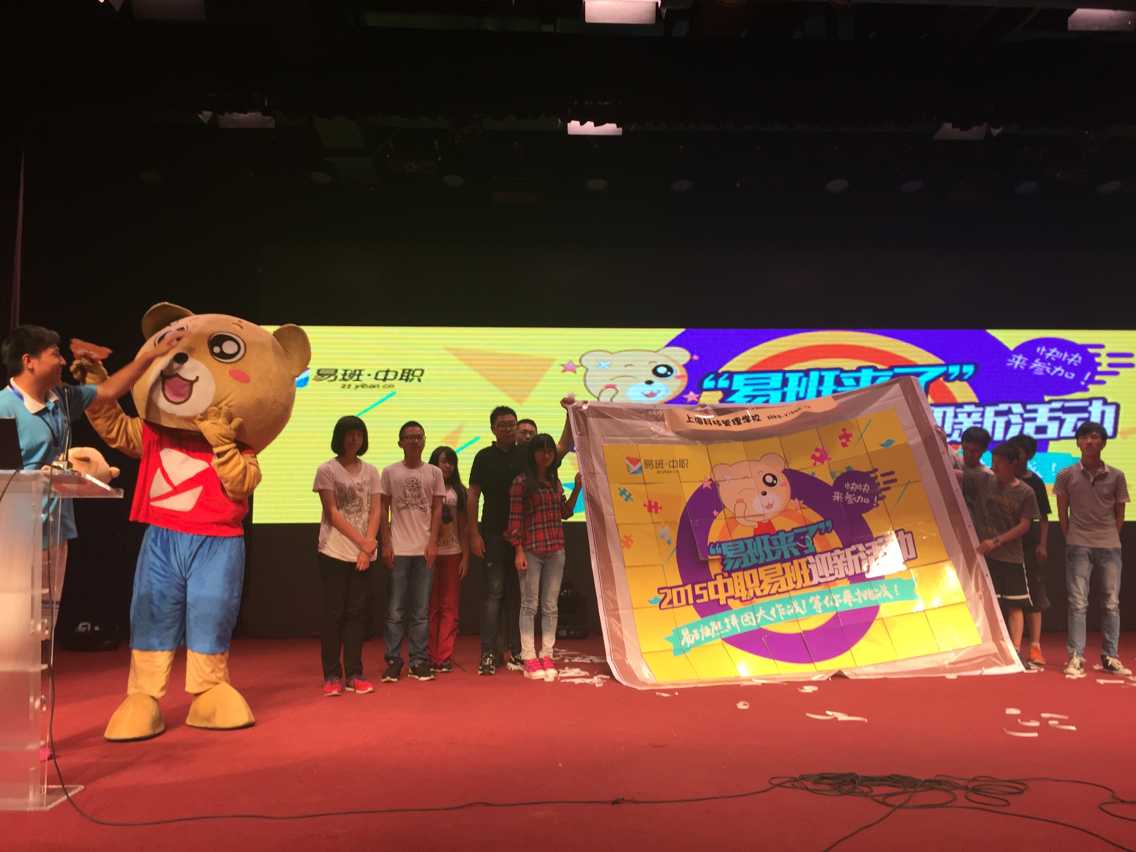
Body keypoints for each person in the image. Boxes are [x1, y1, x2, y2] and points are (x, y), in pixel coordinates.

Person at [0, 324, 183, 629]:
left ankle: (43, 659)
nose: (62, 361)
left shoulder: (61, 398)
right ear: (28, 361)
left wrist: (150, 356)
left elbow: (110, 391)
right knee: (11, 621)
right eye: (54, 354)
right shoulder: (4, 408)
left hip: (55, 529)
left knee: (44, 624)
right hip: (13, 533)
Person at [468, 398, 575, 676]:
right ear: (493, 428)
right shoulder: (483, 457)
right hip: (494, 533)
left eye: (511, 424)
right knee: (494, 594)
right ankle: (489, 652)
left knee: (521, 597)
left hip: (528, 539)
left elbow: (562, 446)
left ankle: (517, 650)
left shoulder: (528, 455)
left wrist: (569, 413)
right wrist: (473, 533)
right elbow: (473, 495)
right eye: (502, 425)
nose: (507, 429)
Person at [1055, 421, 1130, 677]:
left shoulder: (1117, 475)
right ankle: (1076, 656)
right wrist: (1070, 536)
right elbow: (1062, 511)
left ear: (1103, 443)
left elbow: (1120, 512)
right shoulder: (1066, 474)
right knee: (1078, 602)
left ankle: (1111, 656)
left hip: (1109, 545)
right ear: (1077, 442)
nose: (1089, 441)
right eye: (1084, 437)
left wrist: (1111, 535)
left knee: (1111, 602)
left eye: (1095, 437)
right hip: (1078, 543)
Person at [313, 416, 381, 697]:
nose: (354, 439)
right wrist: (363, 543)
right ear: (339, 437)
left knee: (357, 615)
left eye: (359, 434)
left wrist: (367, 548)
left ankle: (354, 673)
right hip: (334, 550)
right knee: (333, 614)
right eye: (349, 434)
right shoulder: (327, 470)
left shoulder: (372, 471)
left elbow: (376, 510)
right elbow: (333, 512)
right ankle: (331, 675)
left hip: (363, 553)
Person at [507, 434, 582, 681]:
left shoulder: (554, 481)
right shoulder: (521, 483)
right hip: (531, 550)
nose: (546, 455)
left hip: (555, 549)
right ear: (533, 454)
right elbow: (515, 520)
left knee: (550, 606)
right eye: (541, 450)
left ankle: (547, 653)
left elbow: (565, 512)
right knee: (529, 605)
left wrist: (577, 488)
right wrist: (518, 550)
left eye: (550, 450)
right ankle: (529, 656)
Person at [380, 421, 445, 683]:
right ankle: (393, 660)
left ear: (424, 441)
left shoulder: (434, 472)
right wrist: (386, 543)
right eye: (409, 437)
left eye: (419, 437)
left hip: (424, 550)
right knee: (395, 610)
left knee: (420, 610)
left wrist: (433, 543)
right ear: (400, 442)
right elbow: (383, 509)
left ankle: (419, 661)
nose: (415, 441)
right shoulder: (389, 472)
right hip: (398, 548)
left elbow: (438, 509)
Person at [966, 442, 1039, 668]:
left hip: (1010, 557)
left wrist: (996, 541)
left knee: (1015, 605)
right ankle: (987, 648)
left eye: (999, 462)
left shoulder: (1026, 492)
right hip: (984, 557)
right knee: (985, 603)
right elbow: (958, 473)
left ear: (1013, 463)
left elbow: (1025, 525)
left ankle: (1015, 651)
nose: (994, 466)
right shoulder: (984, 480)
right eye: (993, 461)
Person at [1007, 433, 1051, 667]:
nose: (1015, 457)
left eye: (1020, 452)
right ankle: (1012, 647)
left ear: (1029, 455)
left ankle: (1035, 647)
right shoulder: (1000, 478)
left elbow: (1043, 517)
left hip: (1029, 545)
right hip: (1006, 546)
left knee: (1034, 595)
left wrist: (1042, 544)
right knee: (1012, 597)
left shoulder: (1035, 483)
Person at [426, 445, 469, 673]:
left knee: (449, 606)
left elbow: (464, 528)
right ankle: (429, 654)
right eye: (443, 461)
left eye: (451, 462)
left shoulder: (460, 491)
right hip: (429, 554)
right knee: (431, 606)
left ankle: (444, 656)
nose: (448, 466)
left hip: (453, 552)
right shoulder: (425, 488)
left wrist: (466, 557)